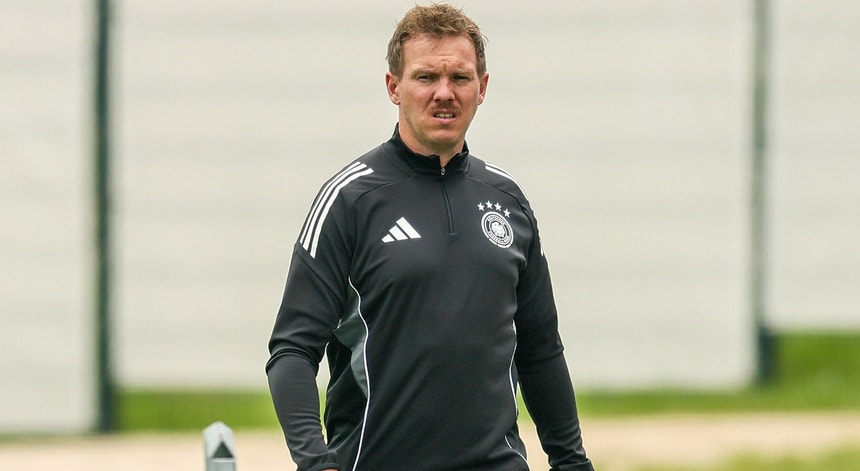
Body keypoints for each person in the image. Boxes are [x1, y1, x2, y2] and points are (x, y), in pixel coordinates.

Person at [266, 4, 595, 470]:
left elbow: (541, 350)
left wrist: (572, 462)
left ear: (482, 87)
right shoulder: (349, 200)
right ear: (393, 87)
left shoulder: (508, 200)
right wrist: (316, 462)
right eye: (425, 77)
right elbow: (292, 351)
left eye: (460, 78)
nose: (445, 93)